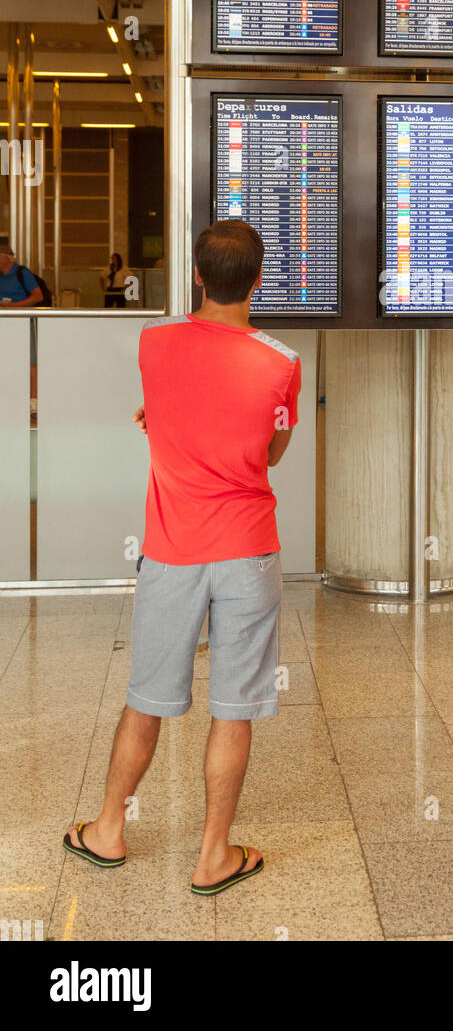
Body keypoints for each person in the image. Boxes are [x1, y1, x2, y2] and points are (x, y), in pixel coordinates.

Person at [62, 219, 301, 896]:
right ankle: (214, 856)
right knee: (234, 709)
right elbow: (270, 451)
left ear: (197, 276)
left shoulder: (153, 343)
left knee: (147, 701)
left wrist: (164, 420)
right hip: (249, 551)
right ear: (258, 282)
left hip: (171, 552)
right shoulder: (282, 362)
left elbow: (168, 406)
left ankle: (110, 829)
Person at [0, 244, 43, 411]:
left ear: (6, 257)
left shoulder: (22, 273)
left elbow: (38, 296)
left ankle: (33, 401)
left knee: (31, 362)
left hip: (26, 325)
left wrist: (15, 306)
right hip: (6, 326)